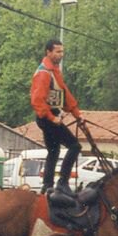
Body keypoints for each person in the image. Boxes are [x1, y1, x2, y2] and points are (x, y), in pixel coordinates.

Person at [31, 38, 83, 196]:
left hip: (49, 115)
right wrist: (51, 118)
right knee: (75, 146)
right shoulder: (44, 73)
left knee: (53, 151)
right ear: (48, 52)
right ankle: (62, 183)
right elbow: (37, 100)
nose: (61, 54)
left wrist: (77, 114)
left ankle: (47, 185)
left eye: (62, 51)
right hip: (48, 116)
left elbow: (65, 94)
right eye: (58, 51)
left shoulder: (54, 71)